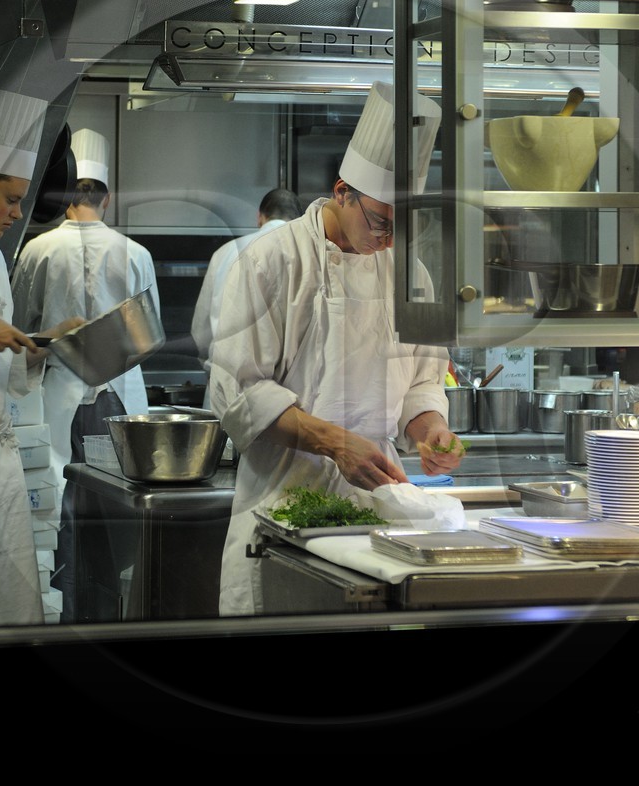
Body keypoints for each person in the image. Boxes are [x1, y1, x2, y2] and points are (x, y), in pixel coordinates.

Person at [207, 81, 464, 616]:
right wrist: (333, 442)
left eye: (403, 227)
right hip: (280, 507)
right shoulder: (272, 262)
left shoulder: (408, 272)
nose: (389, 240)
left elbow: (421, 379)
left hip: (377, 513)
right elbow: (237, 393)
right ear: (342, 191)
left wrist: (430, 431)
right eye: (381, 222)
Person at [0, 85, 82, 626]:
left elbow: (9, 370)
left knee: (8, 611)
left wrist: (46, 344)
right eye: (9, 199)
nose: (17, 213)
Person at [10, 129, 159, 538]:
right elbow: (150, 332)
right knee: (117, 509)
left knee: (59, 505)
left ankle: (66, 596)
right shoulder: (136, 253)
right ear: (106, 198)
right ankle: (111, 594)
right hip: (120, 397)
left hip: (58, 393)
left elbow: (21, 331)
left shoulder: (38, 249)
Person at [191, 187, 301, 362]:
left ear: (259, 217)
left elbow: (201, 330)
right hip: (282, 383)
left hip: (225, 375)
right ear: (299, 221)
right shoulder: (305, 256)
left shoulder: (224, 253)